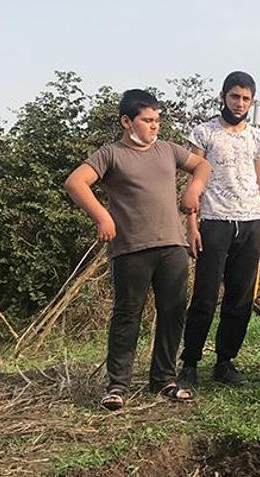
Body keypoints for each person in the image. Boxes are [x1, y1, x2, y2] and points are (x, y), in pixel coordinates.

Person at [64, 89, 211, 410]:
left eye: (157, 120)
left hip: (172, 245)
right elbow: (76, 182)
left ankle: (164, 380)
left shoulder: (168, 151)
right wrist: (102, 216)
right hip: (131, 248)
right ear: (126, 121)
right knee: (127, 315)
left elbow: (202, 167)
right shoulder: (111, 154)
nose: (154, 126)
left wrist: (192, 192)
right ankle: (117, 385)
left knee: (172, 313)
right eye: (147, 120)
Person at [177, 71, 260, 387]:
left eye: (246, 98)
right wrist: (192, 225)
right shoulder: (204, 132)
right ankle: (189, 364)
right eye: (235, 96)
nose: (240, 103)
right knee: (204, 297)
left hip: (250, 222)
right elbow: (193, 179)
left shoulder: (257, 137)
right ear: (223, 96)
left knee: (240, 299)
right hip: (214, 221)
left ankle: (225, 362)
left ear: (252, 101)